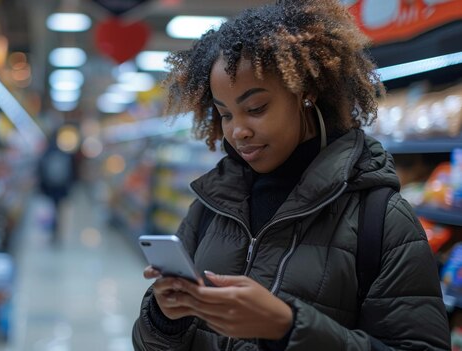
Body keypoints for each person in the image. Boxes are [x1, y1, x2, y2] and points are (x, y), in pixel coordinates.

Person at [132, 1, 450, 350]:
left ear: (306, 92)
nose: (238, 131)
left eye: (256, 109)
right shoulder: (211, 207)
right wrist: (163, 318)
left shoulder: (381, 219)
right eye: (225, 115)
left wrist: (288, 326)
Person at [38, 130, 77, 243]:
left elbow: (41, 170)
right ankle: (58, 230)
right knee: (60, 209)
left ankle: (52, 230)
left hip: (50, 186)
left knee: (51, 208)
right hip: (61, 187)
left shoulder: (47, 153)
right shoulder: (65, 153)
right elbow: (71, 172)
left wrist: (41, 186)